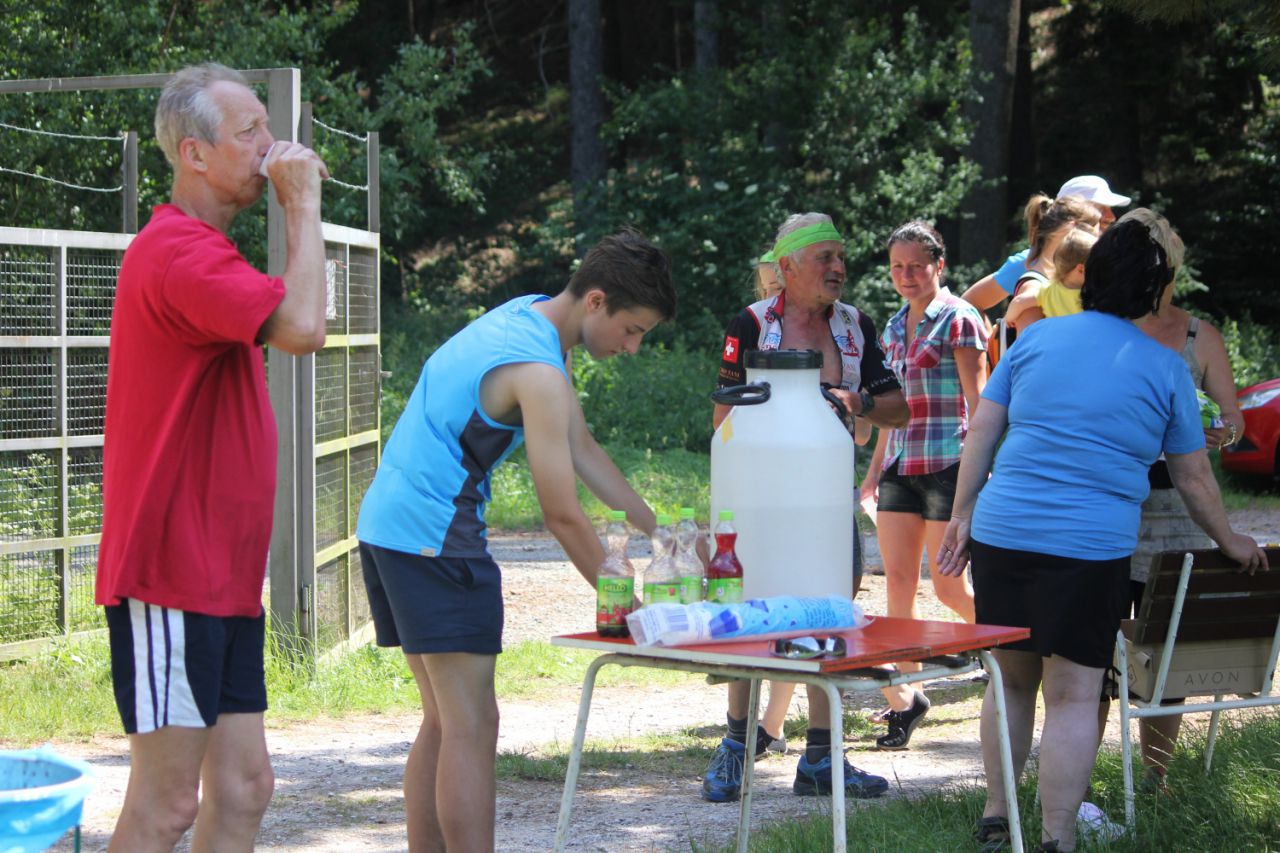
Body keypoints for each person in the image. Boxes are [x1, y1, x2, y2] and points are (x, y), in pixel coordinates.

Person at [936, 210, 1267, 851]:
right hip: (1088, 550)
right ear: (1154, 288)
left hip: (1003, 533)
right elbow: (1193, 478)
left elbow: (983, 430)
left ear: (1089, 279)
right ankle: (1056, 837)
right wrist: (1231, 541)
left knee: (1011, 683)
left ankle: (997, 817)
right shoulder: (1165, 368)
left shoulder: (1035, 339)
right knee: (1071, 694)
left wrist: (961, 512)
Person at [354, 229, 675, 851]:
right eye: (633, 329)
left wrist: (665, 532)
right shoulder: (539, 371)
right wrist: (629, 610)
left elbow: (581, 448)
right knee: (471, 725)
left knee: (446, 721)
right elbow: (562, 515)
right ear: (597, 301)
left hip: (390, 527)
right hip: (435, 537)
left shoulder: (528, 318)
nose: (633, 346)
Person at [94, 63, 329, 852]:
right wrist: (302, 206)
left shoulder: (206, 253)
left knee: (242, 788)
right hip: (172, 573)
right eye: (249, 130)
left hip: (220, 575)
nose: (270, 144)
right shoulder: (179, 253)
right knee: (166, 806)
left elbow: (292, 313)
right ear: (194, 154)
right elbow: (303, 326)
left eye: (267, 127)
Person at [701, 212, 909, 804]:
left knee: (829, 615)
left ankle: (821, 755)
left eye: (841, 257)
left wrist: (858, 400)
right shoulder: (752, 323)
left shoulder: (854, 325)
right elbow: (723, 415)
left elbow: (897, 407)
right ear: (787, 266)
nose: (838, 267)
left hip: (825, 497)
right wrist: (732, 495)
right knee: (748, 610)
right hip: (759, 497)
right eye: (825, 258)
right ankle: (737, 744)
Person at [1117, 209, 1247, 787]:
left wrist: (1223, 430)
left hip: (1182, 512)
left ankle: (1155, 779)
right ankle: (1091, 778)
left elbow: (1233, 416)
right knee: (1103, 650)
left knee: (1165, 648)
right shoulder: (1109, 329)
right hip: (1116, 506)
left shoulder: (1200, 336)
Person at [860, 221, 986, 750]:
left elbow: (980, 407)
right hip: (899, 467)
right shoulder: (892, 327)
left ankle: (1013, 649)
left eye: (916, 265)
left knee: (950, 587)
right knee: (897, 586)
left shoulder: (960, 319)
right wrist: (872, 474)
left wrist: (978, 479)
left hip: (948, 466)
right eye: (897, 266)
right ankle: (907, 700)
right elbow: (891, 414)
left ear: (939, 265)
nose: (906, 275)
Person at [962, 175, 1129, 314]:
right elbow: (969, 304)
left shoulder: (1104, 262)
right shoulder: (1027, 263)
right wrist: (990, 338)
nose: (1112, 216)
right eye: (1101, 208)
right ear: (1073, 218)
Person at [1003, 228, 1098, 330]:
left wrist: (1008, 320)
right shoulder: (1092, 295)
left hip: (1055, 338)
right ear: (1081, 269)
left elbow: (1019, 301)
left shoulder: (1047, 291)